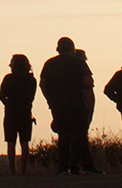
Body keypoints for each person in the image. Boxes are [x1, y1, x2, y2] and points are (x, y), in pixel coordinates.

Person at [39, 36, 98, 174]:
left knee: (63, 136)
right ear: (72, 48)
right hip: (77, 103)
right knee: (81, 136)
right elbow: (88, 81)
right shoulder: (78, 62)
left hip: (58, 106)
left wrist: (50, 100)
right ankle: (87, 166)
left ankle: (63, 167)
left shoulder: (49, 63)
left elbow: (42, 84)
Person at [0, 54, 38, 175]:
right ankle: (23, 171)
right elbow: (31, 97)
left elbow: (1, 96)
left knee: (11, 142)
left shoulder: (8, 79)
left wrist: (8, 104)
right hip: (25, 113)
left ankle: (12, 170)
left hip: (10, 114)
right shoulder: (32, 80)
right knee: (25, 142)